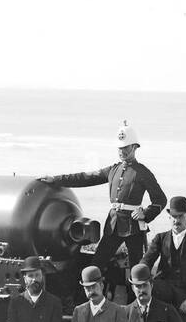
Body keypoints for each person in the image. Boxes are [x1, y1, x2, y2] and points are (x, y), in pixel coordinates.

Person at [40, 121, 166, 292]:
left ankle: (136, 306)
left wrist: (145, 213)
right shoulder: (113, 170)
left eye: (126, 148)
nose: (122, 152)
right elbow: (85, 177)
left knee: (138, 270)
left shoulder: (143, 172)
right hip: (113, 224)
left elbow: (160, 199)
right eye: (120, 148)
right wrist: (56, 180)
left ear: (135, 147)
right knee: (97, 263)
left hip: (133, 227)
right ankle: (87, 299)